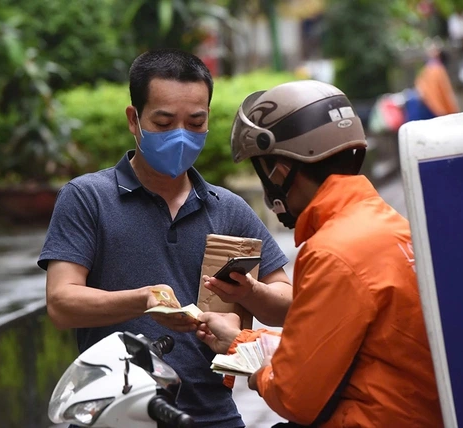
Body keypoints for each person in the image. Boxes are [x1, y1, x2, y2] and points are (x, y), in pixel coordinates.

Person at [38, 48, 292, 427]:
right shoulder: (87, 198)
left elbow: (288, 303)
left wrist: (249, 292)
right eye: (164, 121)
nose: (181, 135)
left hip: (213, 413)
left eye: (195, 122)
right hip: (118, 413)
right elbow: (62, 302)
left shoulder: (229, 209)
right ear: (134, 120)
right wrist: (144, 300)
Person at [196, 80, 443, 427]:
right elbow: (328, 343)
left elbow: (293, 395)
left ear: (280, 171)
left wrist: (252, 370)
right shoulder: (390, 224)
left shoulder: (332, 252)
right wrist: (241, 340)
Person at [414, 40, 459, 119]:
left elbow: (443, 90)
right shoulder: (430, 67)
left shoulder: (436, 69)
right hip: (428, 104)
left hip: (435, 106)